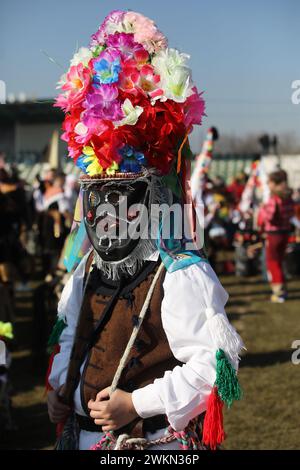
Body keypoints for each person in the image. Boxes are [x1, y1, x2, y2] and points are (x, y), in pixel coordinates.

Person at [46, 9, 244, 451]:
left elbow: (213, 367)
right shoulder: (86, 269)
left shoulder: (177, 271)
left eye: (123, 199)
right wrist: (60, 391)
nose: (108, 215)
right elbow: (67, 337)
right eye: (98, 198)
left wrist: (137, 403)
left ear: (152, 199)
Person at [257, 169, 294, 302]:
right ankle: (283, 289)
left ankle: (278, 293)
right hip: (285, 232)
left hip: (273, 233)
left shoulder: (274, 197)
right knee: (280, 261)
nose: (268, 184)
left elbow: (270, 217)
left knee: (273, 262)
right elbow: (290, 214)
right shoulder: (288, 196)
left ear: (274, 183)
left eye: (269, 182)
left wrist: (263, 208)